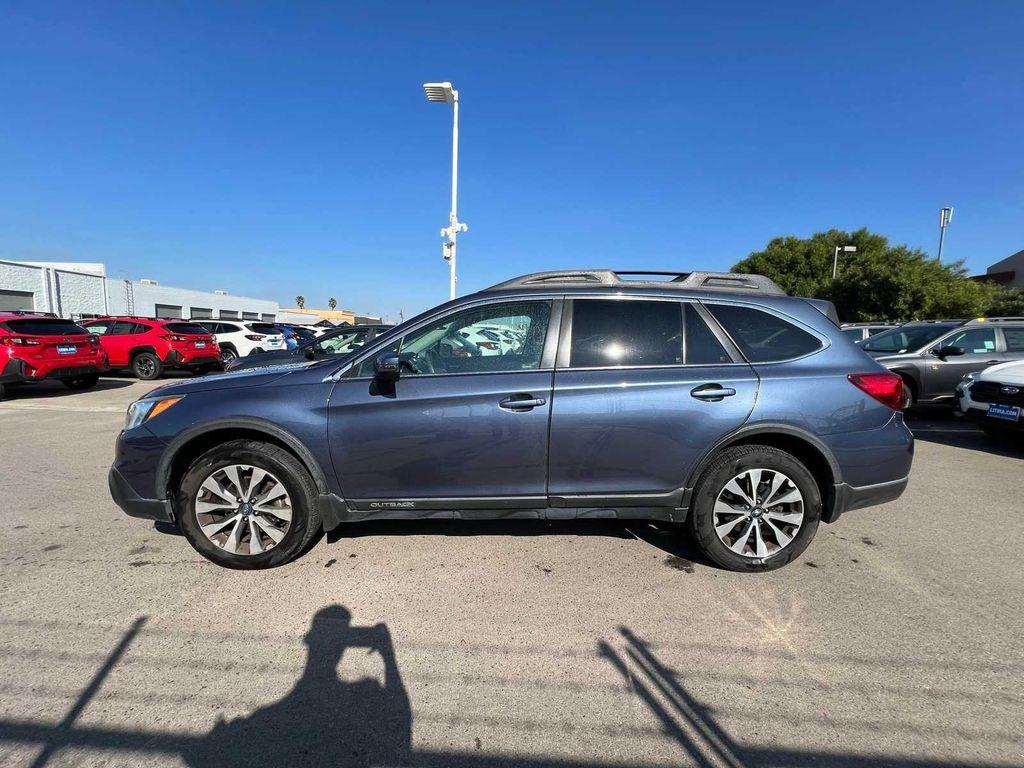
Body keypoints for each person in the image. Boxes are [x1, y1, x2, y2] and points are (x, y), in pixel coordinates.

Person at [183, 605, 411, 767]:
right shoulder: (268, 723)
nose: (237, 719)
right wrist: (388, 658)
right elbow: (400, 720)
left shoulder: (265, 724)